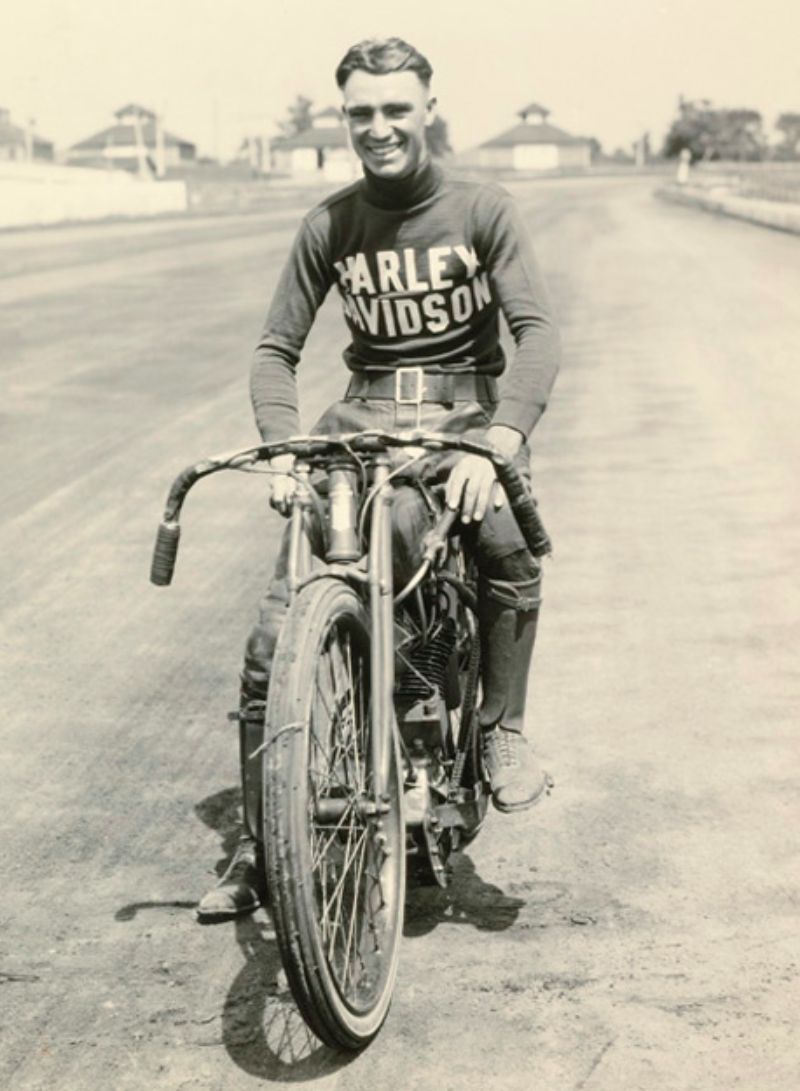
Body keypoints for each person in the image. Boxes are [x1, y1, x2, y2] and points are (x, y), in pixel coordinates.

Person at [197, 36, 560, 920]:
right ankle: (264, 841)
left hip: (464, 420)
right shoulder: (329, 223)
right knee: (272, 639)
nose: (379, 127)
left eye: (396, 109)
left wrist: (498, 441)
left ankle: (500, 733)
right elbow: (275, 351)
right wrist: (283, 445)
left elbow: (538, 335)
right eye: (362, 112)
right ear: (344, 116)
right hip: (358, 423)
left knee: (511, 548)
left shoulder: (483, 209)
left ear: (429, 109)